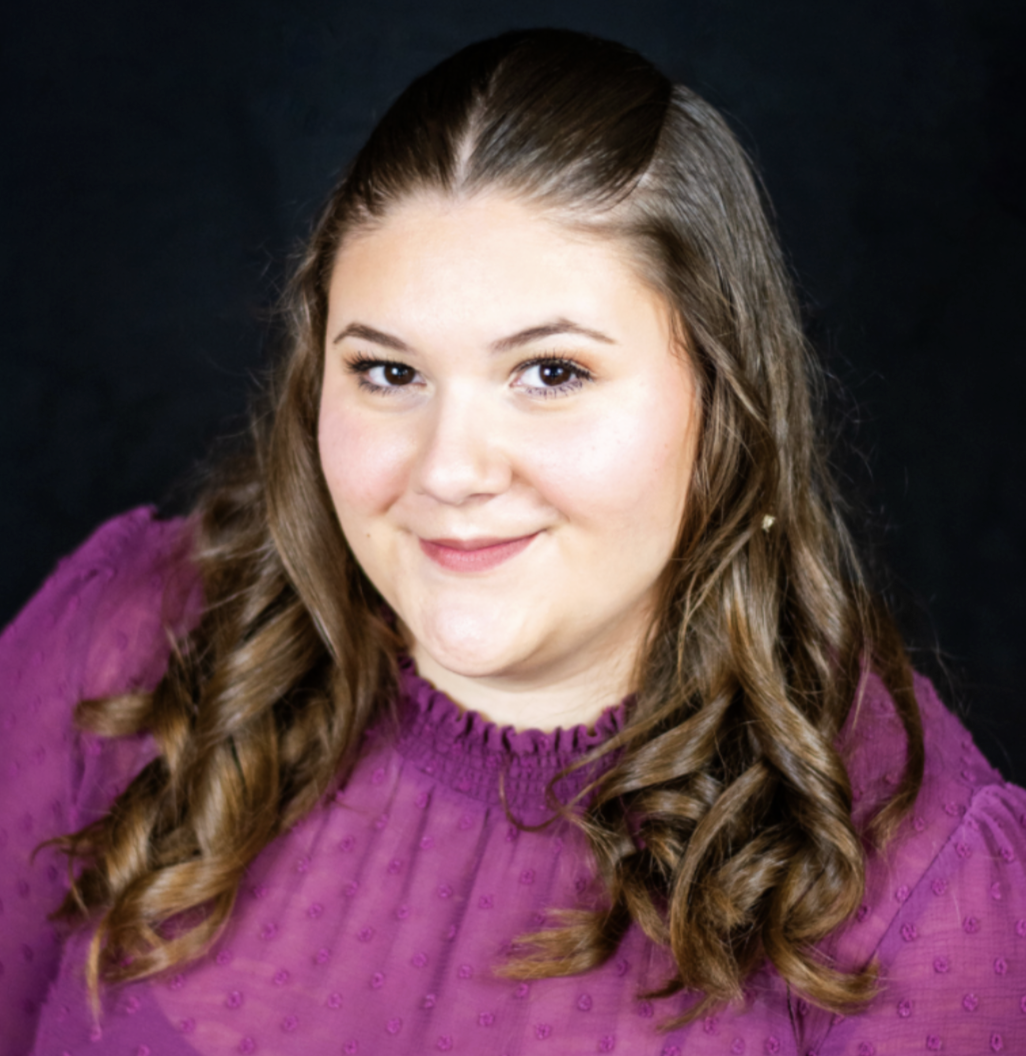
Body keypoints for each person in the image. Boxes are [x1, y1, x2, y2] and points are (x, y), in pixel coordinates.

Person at [1, 28, 1023, 1056]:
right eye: (389, 374)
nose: (448, 471)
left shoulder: (929, 891)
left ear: (724, 402)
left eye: (551, 374)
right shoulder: (131, 641)